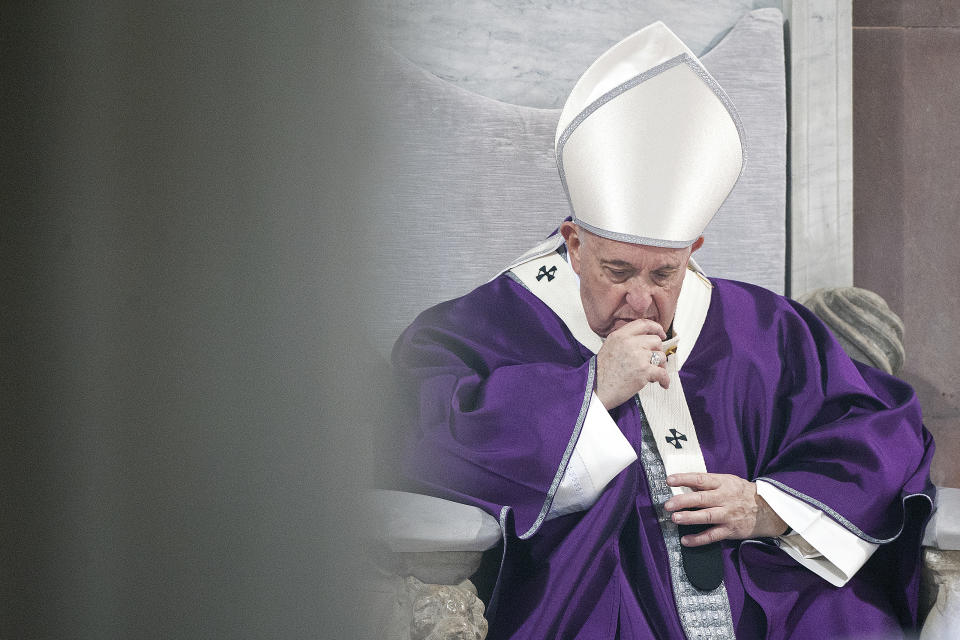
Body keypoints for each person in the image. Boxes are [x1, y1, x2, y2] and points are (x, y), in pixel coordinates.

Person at [392, 22, 934, 640]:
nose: (642, 301)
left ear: (693, 250)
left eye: (665, 273)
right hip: (591, 599)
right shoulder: (484, 327)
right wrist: (588, 391)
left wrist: (771, 508)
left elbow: (879, 431)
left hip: (763, 596)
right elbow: (415, 431)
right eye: (617, 271)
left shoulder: (764, 330)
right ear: (574, 244)